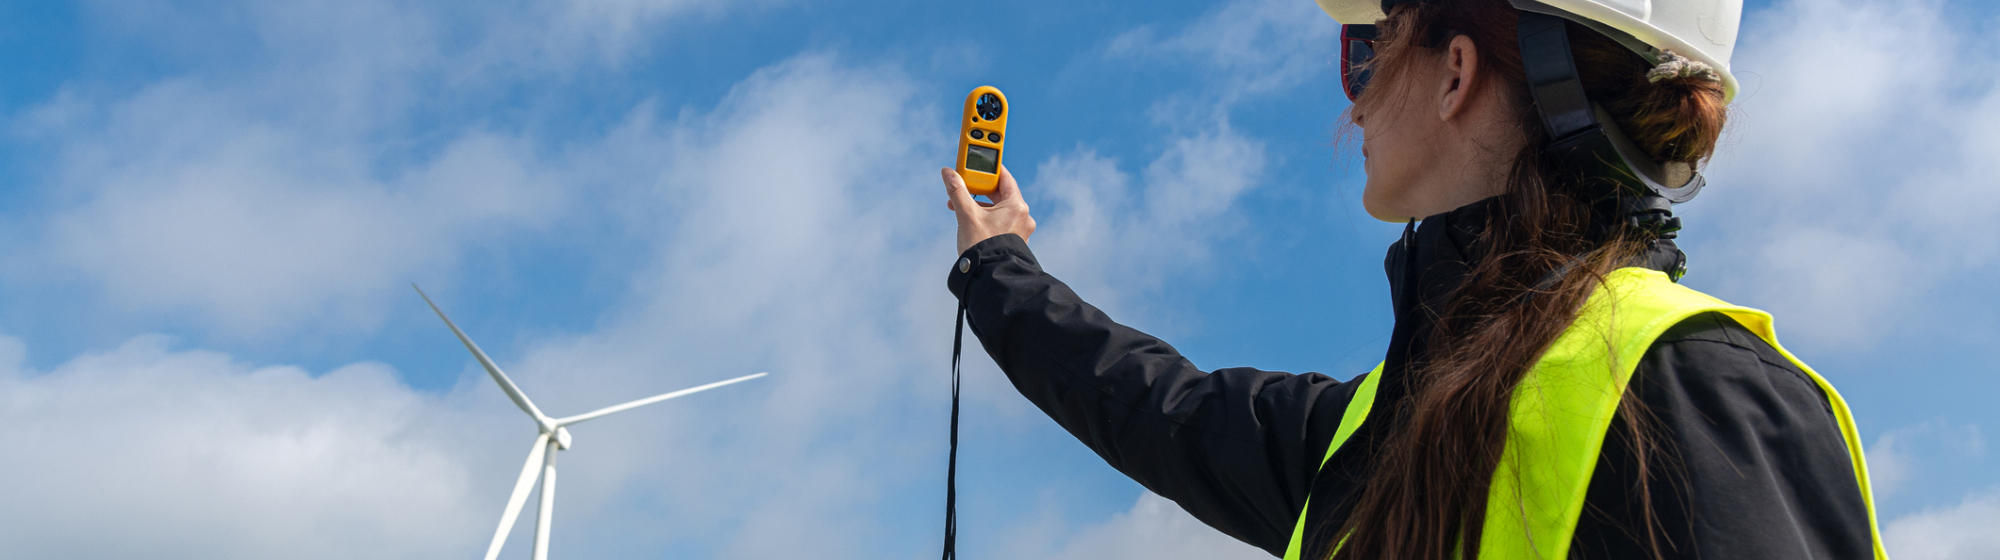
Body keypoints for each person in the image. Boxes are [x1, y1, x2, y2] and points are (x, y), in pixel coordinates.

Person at [938, 0, 1889, 559]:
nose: (1352, 98)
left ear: (1455, 74)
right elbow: (1158, 406)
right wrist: (999, 264)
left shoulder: (1692, 394)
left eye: (1368, 51)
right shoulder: (1383, 424)